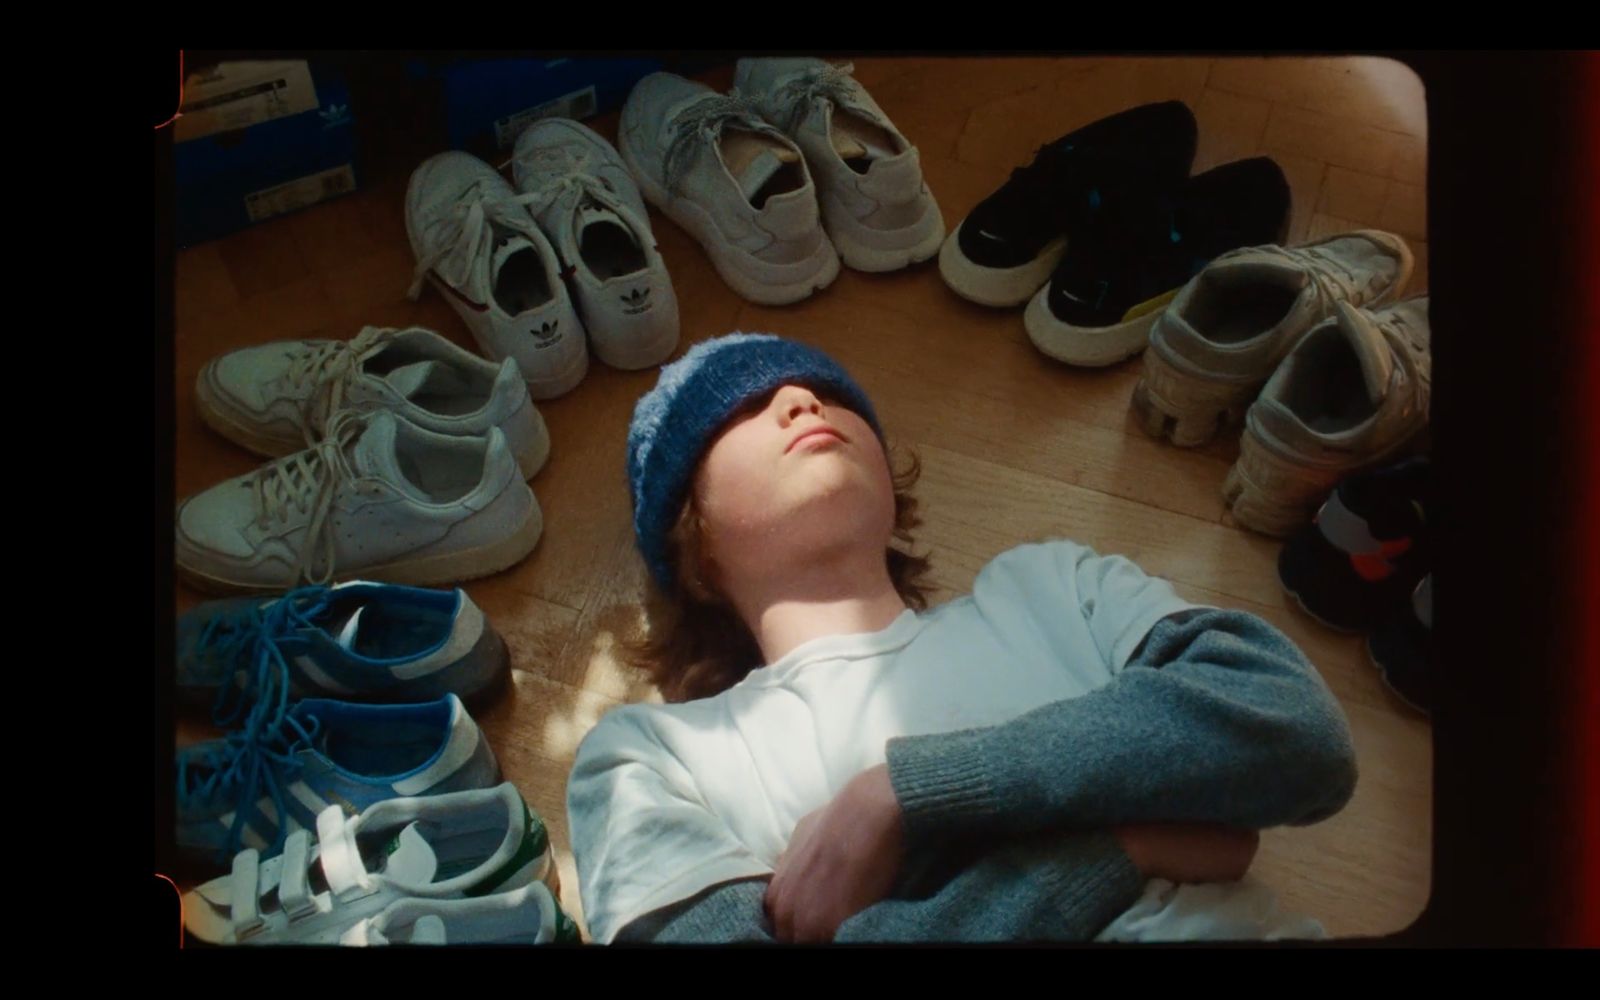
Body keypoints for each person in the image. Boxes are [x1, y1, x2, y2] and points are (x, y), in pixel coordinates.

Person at [567, 333, 1358, 944]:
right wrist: (1118, 850)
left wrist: (909, 793)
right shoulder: (649, 755)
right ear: (691, 544)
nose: (801, 399)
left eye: (828, 393)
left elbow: (1294, 727)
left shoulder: (1050, 586)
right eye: (738, 409)